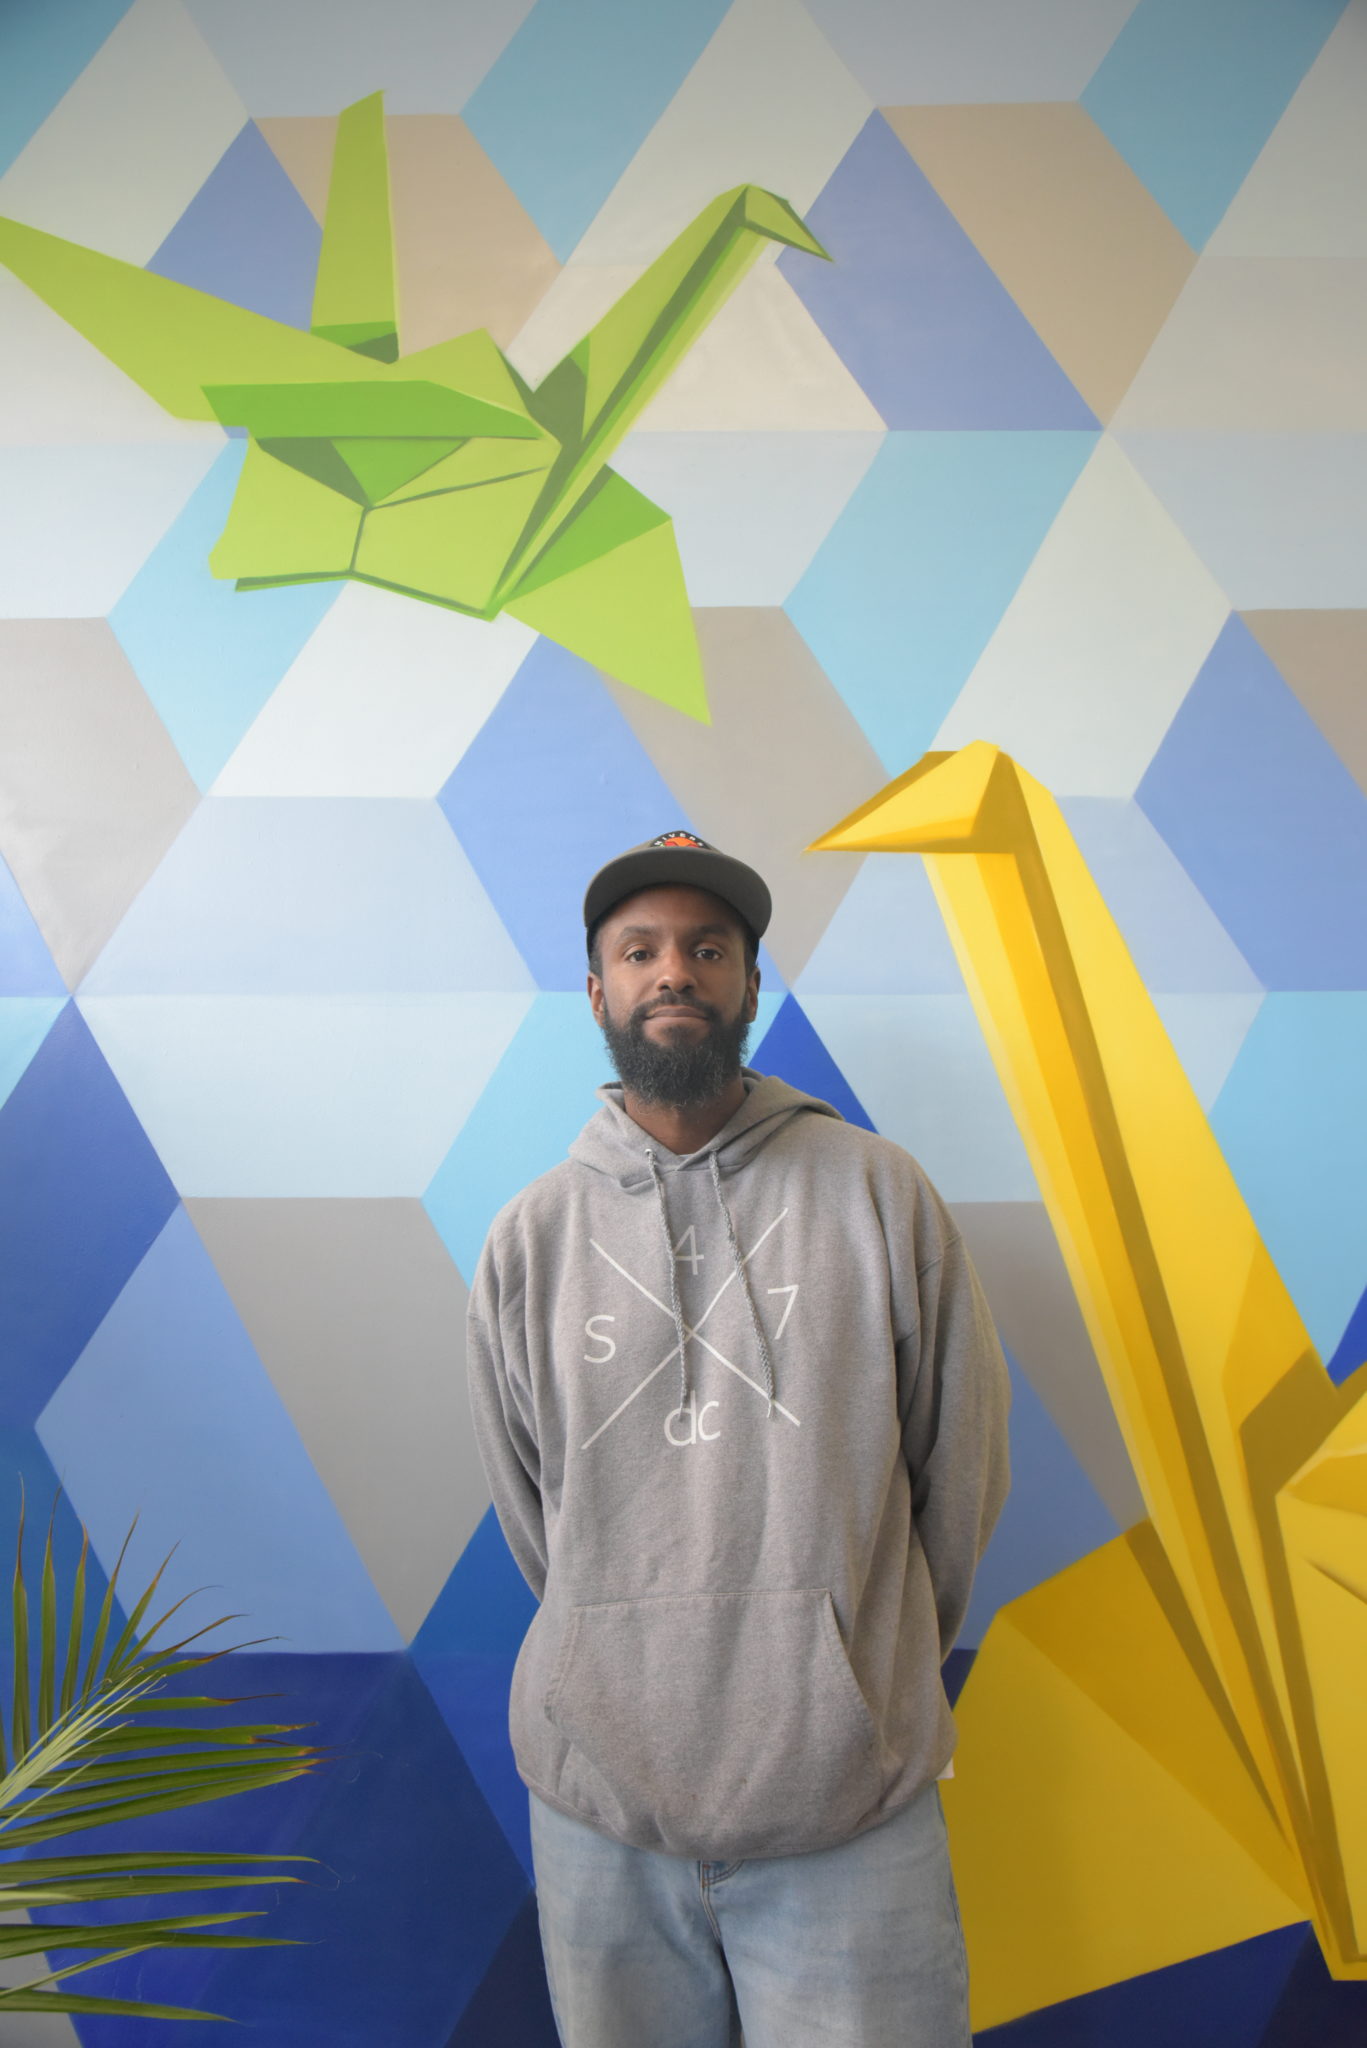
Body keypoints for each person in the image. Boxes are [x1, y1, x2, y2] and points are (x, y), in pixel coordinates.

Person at [467, 831, 1011, 2048]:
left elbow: (957, 1471)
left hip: (847, 1812)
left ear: (750, 983)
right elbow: (530, 1513)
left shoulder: (878, 1192)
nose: (675, 971)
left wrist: (851, 1680)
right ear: (596, 987)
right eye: (641, 948)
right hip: (599, 1810)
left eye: (707, 947)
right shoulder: (530, 1238)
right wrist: (616, 1643)